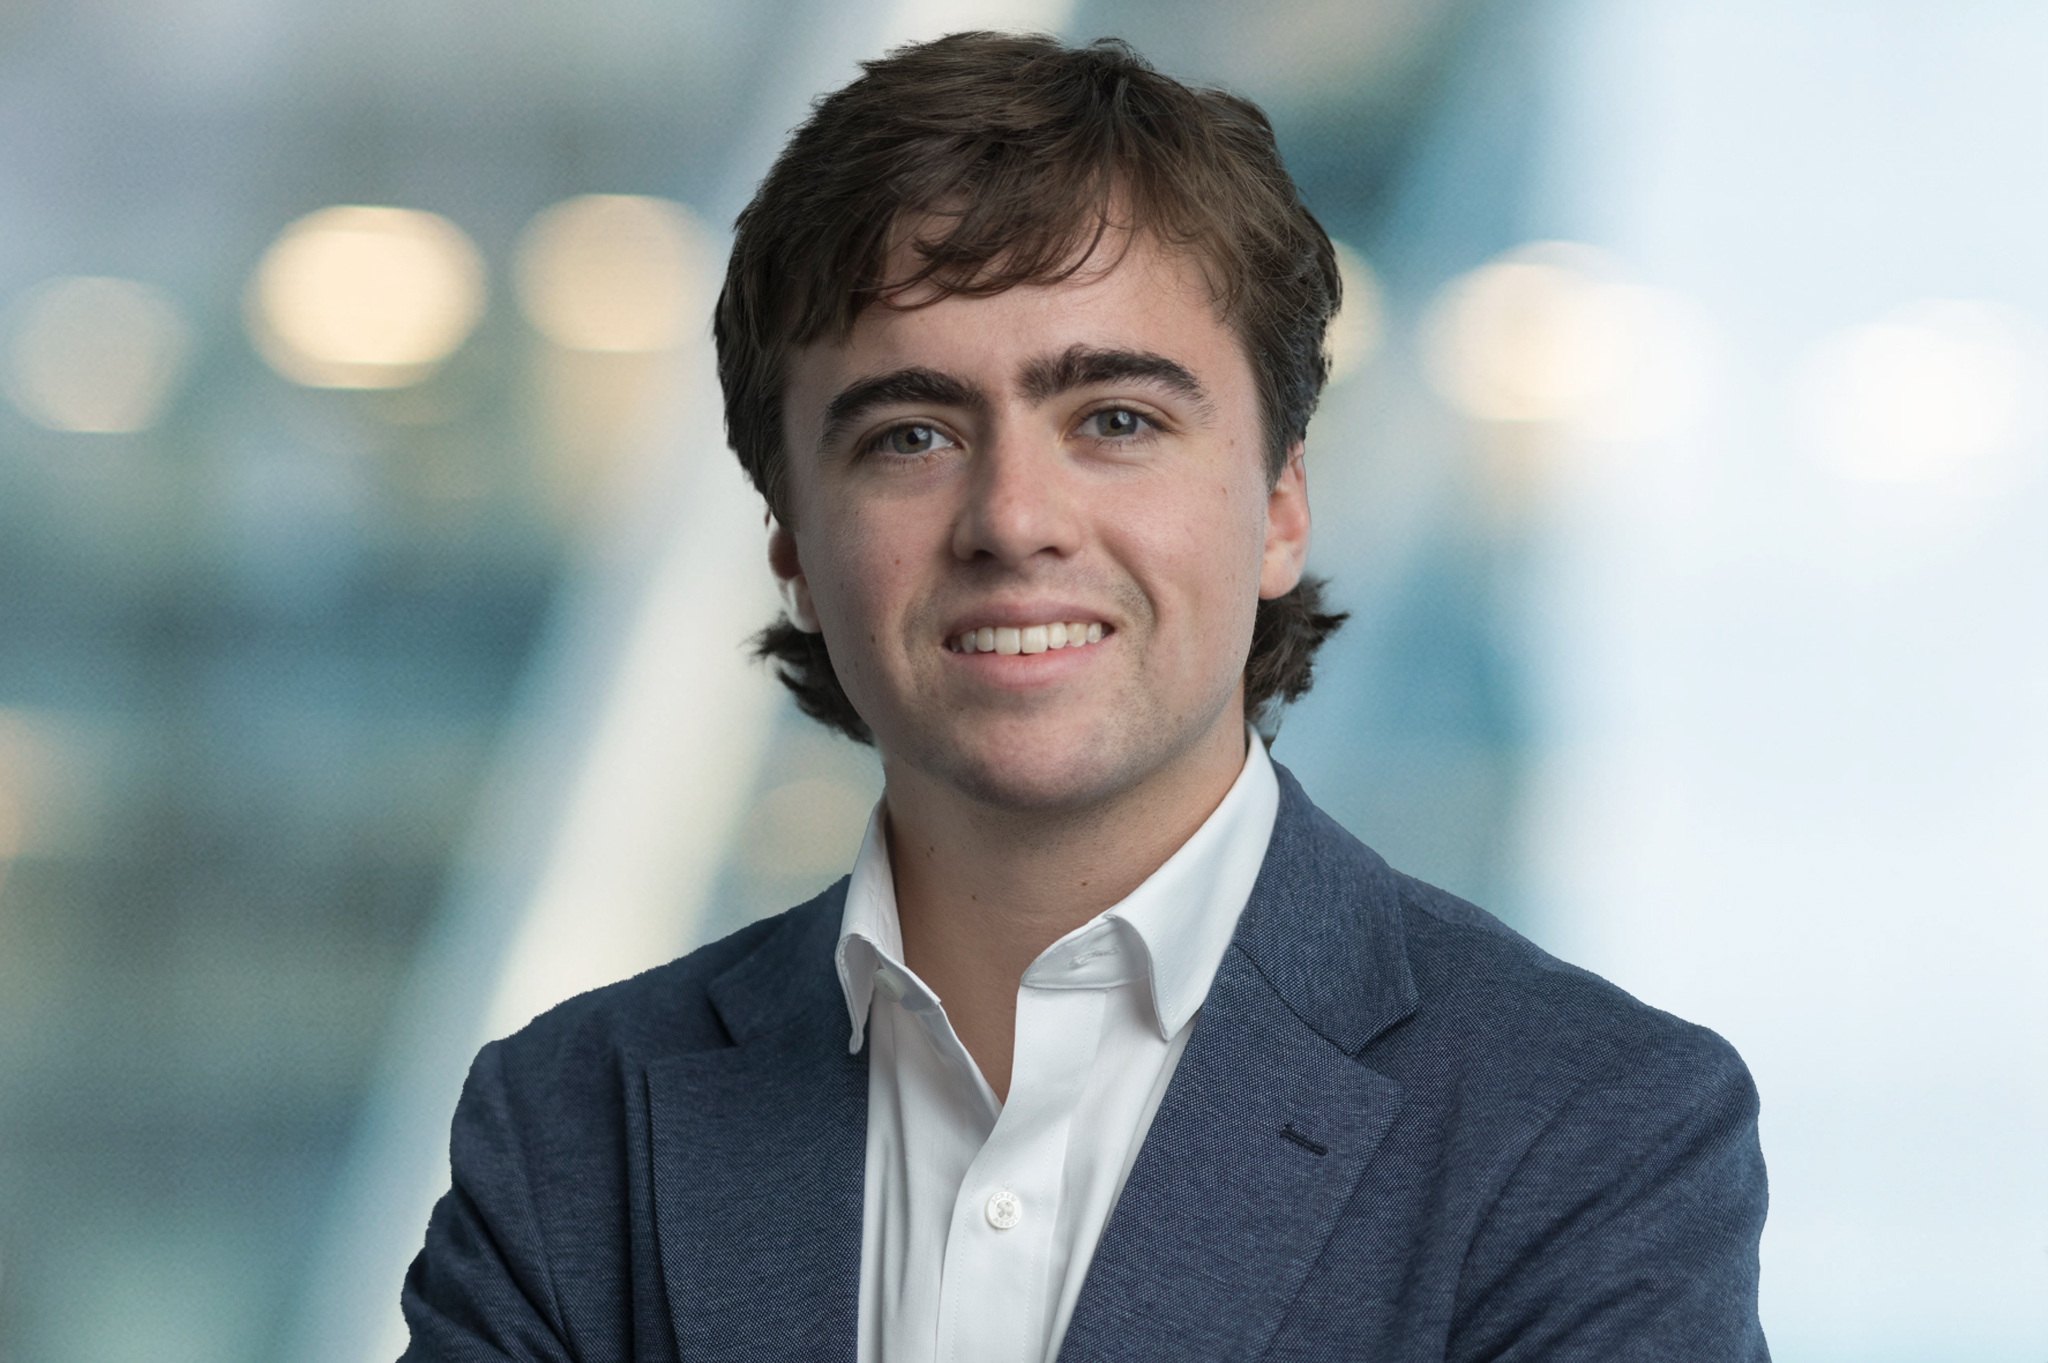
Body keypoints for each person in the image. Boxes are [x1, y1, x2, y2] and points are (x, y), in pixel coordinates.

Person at [400, 31, 1769, 1363]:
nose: (1013, 518)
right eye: (911, 435)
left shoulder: (1593, 1128)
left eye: (1116, 420)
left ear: (1282, 505)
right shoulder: (571, 1128)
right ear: (793, 551)